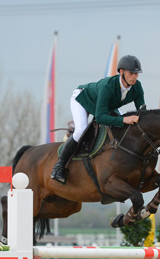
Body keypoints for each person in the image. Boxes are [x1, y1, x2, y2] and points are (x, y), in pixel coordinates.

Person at [50, 55, 146, 184]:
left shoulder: (137, 87)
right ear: (121, 72)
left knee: (124, 123)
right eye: (131, 73)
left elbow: (142, 111)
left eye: (136, 74)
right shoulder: (108, 86)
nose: (134, 77)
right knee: (81, 130)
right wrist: (124, 120)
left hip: (103, 105)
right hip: (82, 99)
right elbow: (100, 118)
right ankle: (58, 168)